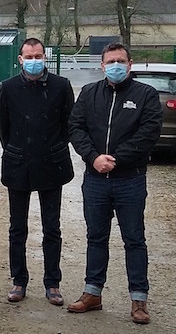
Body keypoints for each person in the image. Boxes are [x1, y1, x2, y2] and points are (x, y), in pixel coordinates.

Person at [67, 42, 162, 324]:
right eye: (110, 61)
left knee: (134, 240)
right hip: (95, 180)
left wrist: (117, 159)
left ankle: (139, 300)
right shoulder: (89, 93)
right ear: (102, 65)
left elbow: (149, 132)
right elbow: (75, 127)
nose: (116, 66)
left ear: (130, 64)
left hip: (129, 180)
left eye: (121, 61)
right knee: (96, 238)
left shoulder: (145, 95)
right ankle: (92, 293)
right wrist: (93, 157)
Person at [0, 37, 74, 306]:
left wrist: (53, 148)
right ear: (20, 59)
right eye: (28, 56)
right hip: (19, 163)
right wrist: (17, 151)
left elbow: (68, 124)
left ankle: (52, 283)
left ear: (45, 57)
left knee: (52, 227)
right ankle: (19, 280)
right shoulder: (7, 88)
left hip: (51, 163)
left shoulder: (61, 86)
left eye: (38, 56)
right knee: (17, 228)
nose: (33, 61)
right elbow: (3, 129)